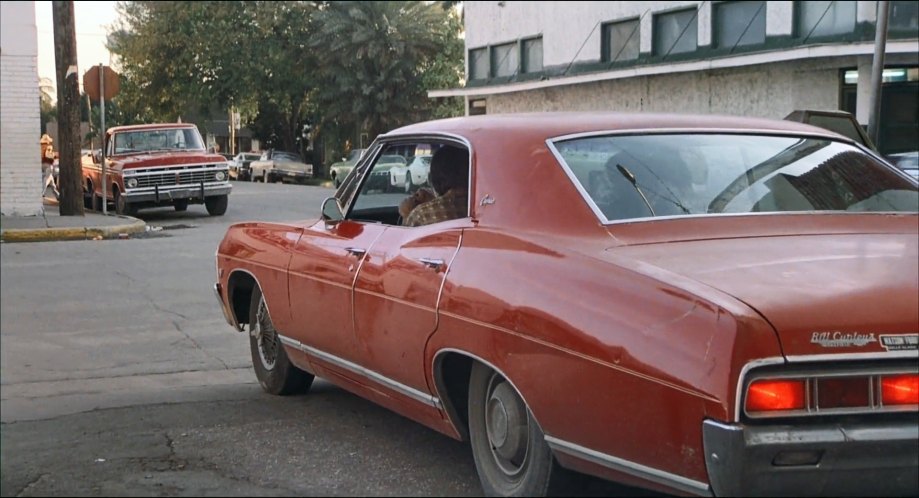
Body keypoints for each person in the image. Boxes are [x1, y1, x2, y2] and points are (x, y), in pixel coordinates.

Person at [399, 145, 469, 227]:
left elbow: (403, 238)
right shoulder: (481, 208)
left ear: (435, 177)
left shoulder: (421, 215)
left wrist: (407, 213)